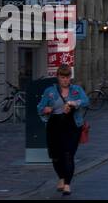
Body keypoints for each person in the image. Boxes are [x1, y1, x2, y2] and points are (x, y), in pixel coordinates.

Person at [37, 64, 89, 196]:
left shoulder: (76, 90)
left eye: (67, 77)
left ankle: (67, 184)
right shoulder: (50, 91)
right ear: (58, 77)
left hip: (72, 126)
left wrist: (73, 103)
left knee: (68, 154)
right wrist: (46, 109)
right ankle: (61, 177)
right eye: (62, 77)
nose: (65, 80)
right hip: (54, 126)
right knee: (56, 156)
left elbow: (86, 101)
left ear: (70, 77)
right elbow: (40, 107)